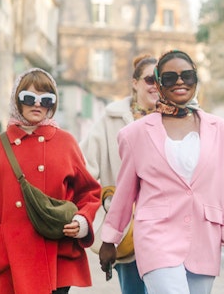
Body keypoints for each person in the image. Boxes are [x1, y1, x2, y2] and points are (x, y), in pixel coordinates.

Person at [98, 50, 224, 294]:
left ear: (196, 80)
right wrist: (109, 239)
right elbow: (125, 192)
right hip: (156, 236)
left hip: (204, 237)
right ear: (158, 84)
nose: (180, 82)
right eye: (170, 78)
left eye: (187, 76)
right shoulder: (134, 134)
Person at [0, 68, 102, 294]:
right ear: (16, 100)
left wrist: (82, 221)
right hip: (9, 258)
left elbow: (89, 193)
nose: (37, 105)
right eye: (28, 98)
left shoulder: (66, 143)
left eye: (46, 99)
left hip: (56, 256)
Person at [81, 53, 158, 293]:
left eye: (161, 80)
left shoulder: (175, 119)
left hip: (165, 228)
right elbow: (83, 169)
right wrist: (101, 208)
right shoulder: (111, 120)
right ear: (134, 83)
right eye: (149, 80)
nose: (156, 85)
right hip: (128, 230)